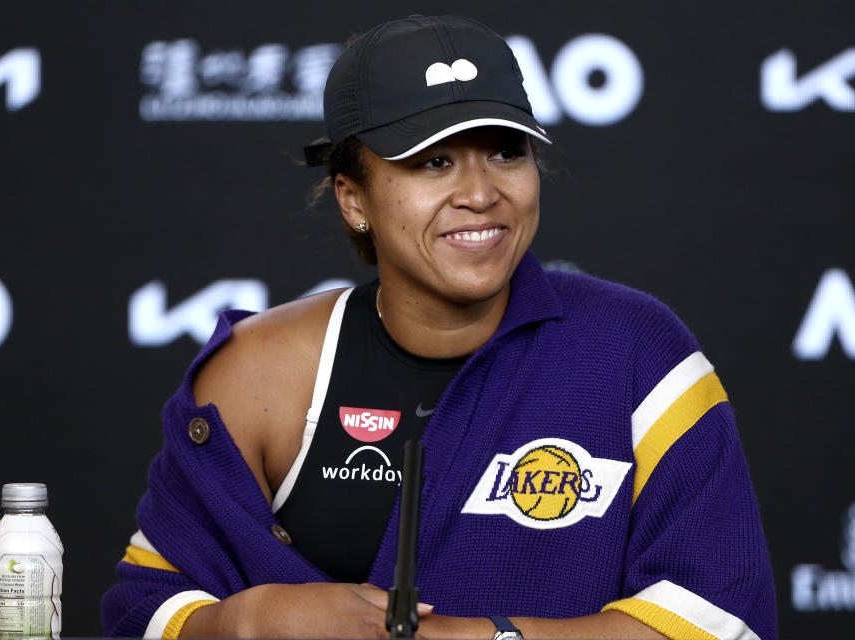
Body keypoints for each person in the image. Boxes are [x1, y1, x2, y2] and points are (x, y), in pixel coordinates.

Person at [102, 14, 777, 640]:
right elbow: (145, 606)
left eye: (506, 153)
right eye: (432, 162)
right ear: (353, 197)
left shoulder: (637, 351)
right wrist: (245, 621)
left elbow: (722, 615)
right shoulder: (261, 370)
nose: (481, 193)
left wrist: (486, 636)